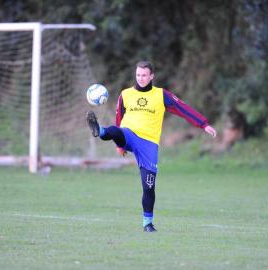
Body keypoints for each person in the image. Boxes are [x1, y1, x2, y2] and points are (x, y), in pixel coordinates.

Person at [87, 61, 217, 232]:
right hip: (128, 134)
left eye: (144, 75)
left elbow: (182, 108)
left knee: (148, 186)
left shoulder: (161, 95)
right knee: (114, 130)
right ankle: (100, 130)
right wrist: (120, 145)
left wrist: (203, 124)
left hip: (148, 143)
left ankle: (147, 224)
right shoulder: (125, 94)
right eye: (138, 75)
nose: (141, 78)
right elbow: (119, 118)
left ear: (151, 76)